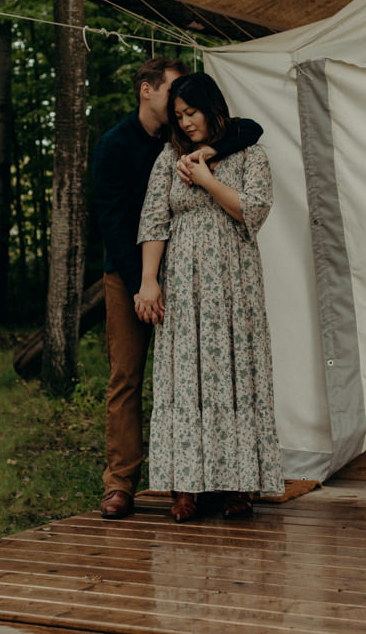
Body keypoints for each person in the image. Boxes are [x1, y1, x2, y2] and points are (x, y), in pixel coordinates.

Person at [91, 60, 262, 520]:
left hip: (197, 279)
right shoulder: (116, 146)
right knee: (128, 377)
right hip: (133, 271)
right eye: (173, 97)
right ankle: (121, 484)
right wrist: (144, 285)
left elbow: (250, 127)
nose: (181, 111)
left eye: (190, 106)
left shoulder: (202, 142)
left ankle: (214, 481)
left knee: (204, 376)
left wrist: (208, 157)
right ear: (148, 92)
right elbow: (119, 223)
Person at [135, 72, 283, 522]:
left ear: (211, 107)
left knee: (235, 377)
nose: (185, 124)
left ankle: (240, 486)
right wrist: (149, 280)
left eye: (191, 113)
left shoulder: (248, 154)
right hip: (184, 285)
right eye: (178, 117)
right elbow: (154, 220)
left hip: (234, 284)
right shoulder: (168, 159)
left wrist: (206, 178)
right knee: (187, 379)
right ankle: (185, 488)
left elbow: (252, 209)